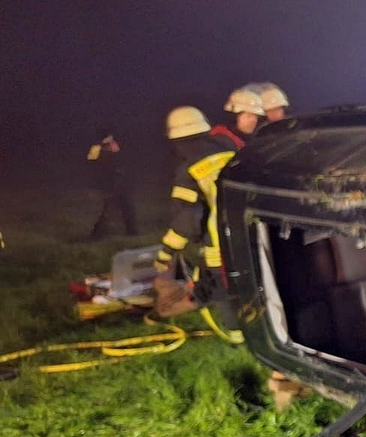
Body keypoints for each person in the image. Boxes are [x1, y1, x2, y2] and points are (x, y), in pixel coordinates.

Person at [153, 106, 243, 341]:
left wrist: (166, 253)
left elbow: (187, 221)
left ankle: (237, 339)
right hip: (251, 228)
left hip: (221, 241)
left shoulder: (188, 171)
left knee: (225, 289)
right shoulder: (229, 148)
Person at [86, 128, 138, 238]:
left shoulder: (112, 144)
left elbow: (118, 156)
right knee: (111, 210)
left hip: (117, 181)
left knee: (125, 207)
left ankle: (132, 232)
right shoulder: (97, 148)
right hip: (109, 183)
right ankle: (97, 234)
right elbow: (93, 162)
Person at [210, 86, 265, 150]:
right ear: (234, 117)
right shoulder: (220, 142)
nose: (254, 120)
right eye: (249, 116)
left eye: (256, 117)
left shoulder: (242, 142)